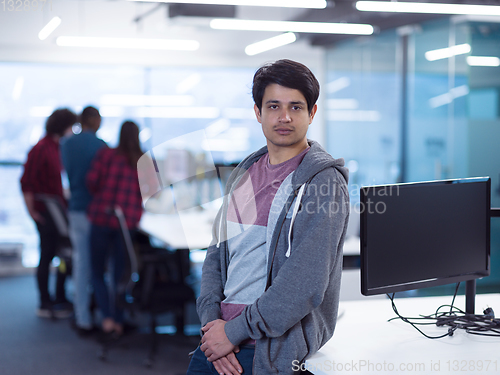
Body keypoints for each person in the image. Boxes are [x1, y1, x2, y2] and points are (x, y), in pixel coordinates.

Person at [187, 59, 350, 375]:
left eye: (296, 107)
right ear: (258, 112)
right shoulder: (245, 172)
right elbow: (217, 255)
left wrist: (232, 333)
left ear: (312, 113)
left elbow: (305, 284)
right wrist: (212, 325)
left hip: (268, 349)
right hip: (218, 338)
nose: (285, 117)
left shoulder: (322, 181)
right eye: (274, 106)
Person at [87, 121, 143, 336]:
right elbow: (152, 196)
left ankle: (107, 318)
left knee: (97, 272)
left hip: (102, 217)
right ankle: (119, 320)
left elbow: (91, 181)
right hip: (126, 226)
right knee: (120, 275)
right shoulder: (143, 161)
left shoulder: (107, 155)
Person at [20, 108, 77, 318]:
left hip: (57, 212)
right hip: (46, 213)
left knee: (62, 254)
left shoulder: (56, 147)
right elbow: (26, 181)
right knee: (47, 255)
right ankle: (45, 302)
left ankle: (59, 296)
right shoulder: (41, 148)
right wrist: (31, 212)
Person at [60, 106, 106, 335]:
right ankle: (102, 314)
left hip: (76, 208)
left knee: (81, 265)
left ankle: (83, 317)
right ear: (95, 120)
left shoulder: (66, 144)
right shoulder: (102, 147)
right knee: (100, 267)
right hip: (98, 212)